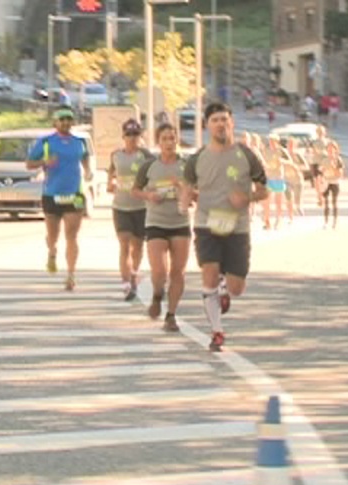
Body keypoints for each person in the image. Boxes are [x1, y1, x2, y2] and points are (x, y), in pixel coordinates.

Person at [180, 102, 268, 352]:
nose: (220, 124)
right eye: (215, 120)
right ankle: (217, 331)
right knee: (208, 272)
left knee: (237, 288)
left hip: (237, 227)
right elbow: (187, 188)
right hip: (206, 225)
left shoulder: (247, 155)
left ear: (232, 123)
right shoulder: (197, 159)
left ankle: (224, 288)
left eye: (224, 120)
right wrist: (185, 200)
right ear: (207, 126)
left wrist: (247, 198)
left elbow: (264, 190)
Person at [26, 107, 93, 291]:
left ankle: (71, 275)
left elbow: (85, 158)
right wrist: (44, 163)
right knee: (53, 235)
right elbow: (29, 164)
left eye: (69, 119)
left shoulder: (79, 142)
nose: (65, 122)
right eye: (61, 119)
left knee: (72, 236)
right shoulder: (46, 142)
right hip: (51, 193)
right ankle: (52, 250)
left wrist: (87, 171)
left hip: (74, 193)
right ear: (55, 122)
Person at [133, 123, 191, 332]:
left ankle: (171, 315)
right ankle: (158, 295)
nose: (169, 143)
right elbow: (135, 190)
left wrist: (182, 189)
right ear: (158, 142)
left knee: (178, 272)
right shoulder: (149, 166)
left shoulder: (187, 166)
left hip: (180, 223)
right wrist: (149, 195)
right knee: (160, 270)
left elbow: (198, 194)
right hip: (156, 221)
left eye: (172, 138)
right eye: (165, 139)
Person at [106, 118, 154, 301]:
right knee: (124, 243)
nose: (132, 138)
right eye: (129, 135)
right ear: (123, 136)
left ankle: (134, 273)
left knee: (137, 245)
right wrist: (110, 183)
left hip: (140, 207)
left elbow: (156, 172)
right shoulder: (116, 155)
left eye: (136, 135)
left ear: (140, 137)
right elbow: (111, 172)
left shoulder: (146, 155)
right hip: (121, 206)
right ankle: (125, 283)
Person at [260, 135, 290, 229]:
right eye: (270, 140)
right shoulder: (266, 150)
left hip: (278, 178)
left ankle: (278, 219)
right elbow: (262, 160)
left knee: (278, 201)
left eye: (273, 141)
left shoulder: (281, 150)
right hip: (268, 177)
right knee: (266, 200)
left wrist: (282, 161)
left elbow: (290, 161)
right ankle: (267, 220)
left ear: (277, 141)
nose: (271, 142)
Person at [320, 142, 344, 229]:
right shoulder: (324, 160)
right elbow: (321, 172)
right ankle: (326, 221)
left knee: (334, 202)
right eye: (328, 149)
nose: (330, 151)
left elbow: (341, 174)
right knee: (326, 202)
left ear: (335, 150)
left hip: (335, 182)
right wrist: (321, 180)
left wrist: (334, 168)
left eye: (332, 149)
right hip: (326, 182)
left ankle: (335, 220)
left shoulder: (338, 160)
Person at [282, 137, 308, 216]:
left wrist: (297, 167)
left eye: (292, 145)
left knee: (297, 199)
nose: (290, 146)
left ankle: (298, 207)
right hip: (287, 180)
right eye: (289, 145)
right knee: (288, 196)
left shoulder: (298, 155)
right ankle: (290, 213)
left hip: (297, 180)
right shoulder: (284, 155)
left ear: (295, 146)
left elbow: (306, 166)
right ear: (286, 145)